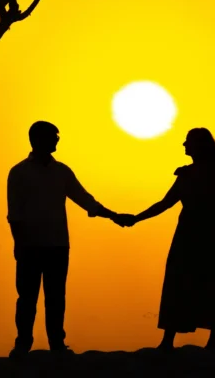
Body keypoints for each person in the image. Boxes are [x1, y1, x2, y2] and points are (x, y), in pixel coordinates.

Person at [7, 121, 131, 356]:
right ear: (38, 139)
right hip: (29, 245)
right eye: (53, 136)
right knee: (27, 298)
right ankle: (22, 344)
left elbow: (84, 199)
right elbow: (15, 214)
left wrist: (113, 216)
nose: (57, 140)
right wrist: (19, 244)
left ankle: (57, 344)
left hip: (57, 244)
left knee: (55, 297)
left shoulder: (61, 172)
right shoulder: (19, 173)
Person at [124, 127, 215, 350]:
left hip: (200, 234)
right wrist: (137, 218)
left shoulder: (207, 174)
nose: (184, 145)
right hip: (206, 233)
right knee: (200, 282)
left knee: (200, 282)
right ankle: (190, 340)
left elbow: (168, 203)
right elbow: (165, 203)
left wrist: (136, 218)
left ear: (199, 146)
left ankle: (187, 341)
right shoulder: (209, 173)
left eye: (188, 141)